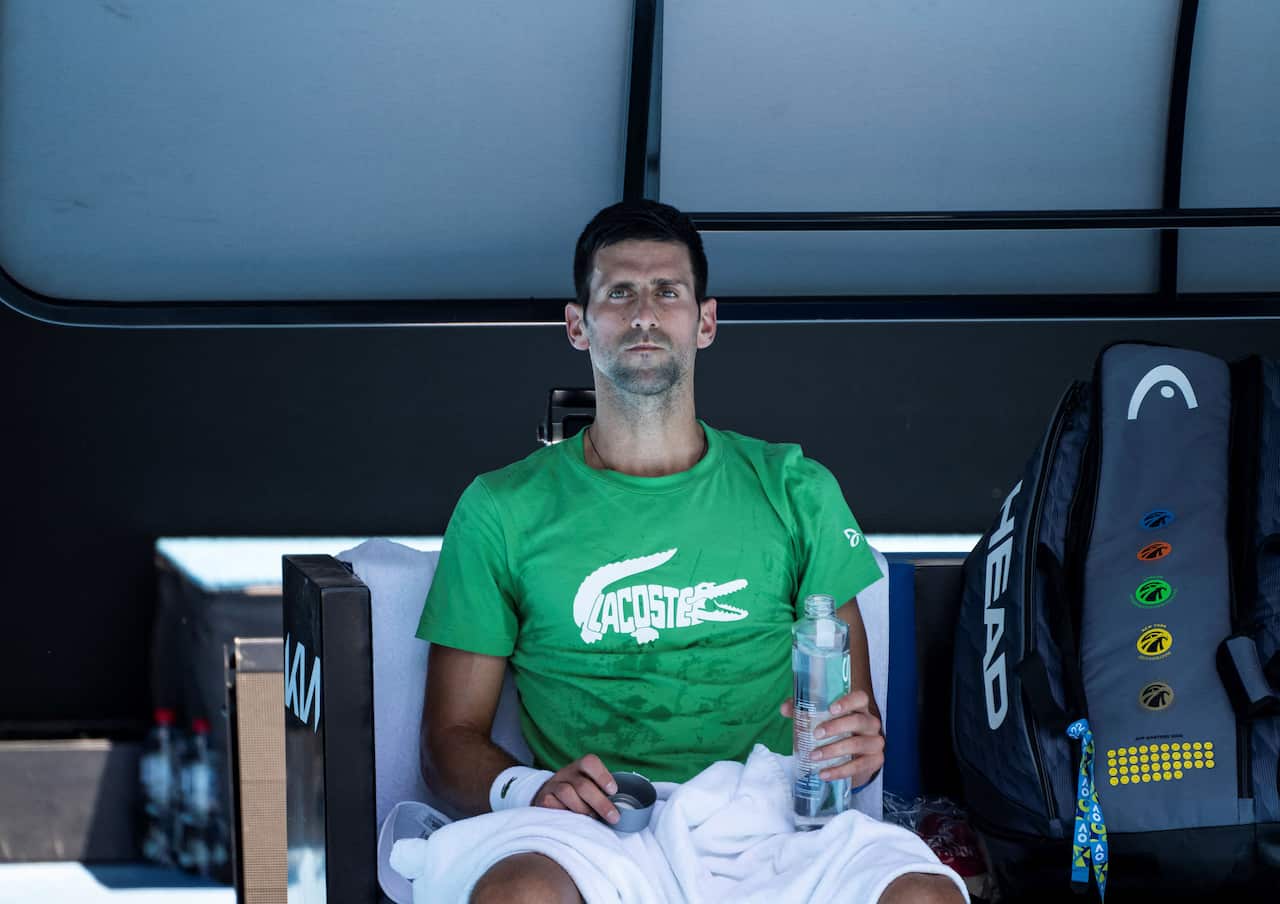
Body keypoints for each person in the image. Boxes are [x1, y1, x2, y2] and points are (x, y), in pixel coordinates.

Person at [416, 200, 964, 903]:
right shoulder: (501, 507)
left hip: (775, 820)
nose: (644, 314)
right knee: (518, 896)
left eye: (667, 292)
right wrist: (531, 789)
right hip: (595, 827)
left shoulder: (795, 488)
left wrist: (856, 749)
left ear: (705, 321)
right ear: (578, 325)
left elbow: (852, 728)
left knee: (925, 897)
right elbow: (448, 740)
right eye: (619, 292)